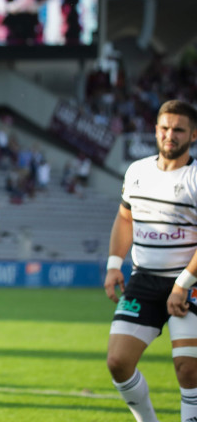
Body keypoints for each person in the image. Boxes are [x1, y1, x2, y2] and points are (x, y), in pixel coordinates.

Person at [104, 99, 197, 422]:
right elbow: (125, 218)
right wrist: (114, 264)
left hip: (189, 282)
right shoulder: (137, 171)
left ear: (193, 135)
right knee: (118, 362)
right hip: (143, 280)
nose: (170, 135)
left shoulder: (195, 177)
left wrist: (182, 285)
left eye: (179, 130)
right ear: (156, 130)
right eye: (164, 128)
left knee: (188, 368)